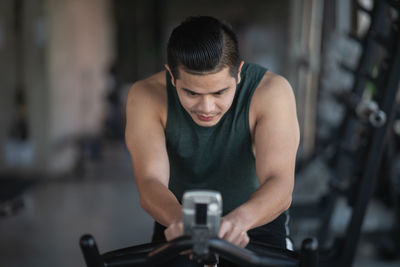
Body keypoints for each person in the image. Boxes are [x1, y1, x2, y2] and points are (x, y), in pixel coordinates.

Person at [125, 16, 300, 266]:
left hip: (255, 219)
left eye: (219, 92)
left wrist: (239, 221)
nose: (207, 107)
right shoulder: (145, 96)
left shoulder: (272, 91)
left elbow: (280, 183)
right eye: (191, 92)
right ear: (171, 77)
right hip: (180, 220)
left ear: (238, 73)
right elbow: (150, 181)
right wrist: (181, 221)